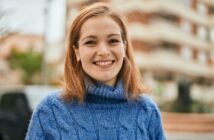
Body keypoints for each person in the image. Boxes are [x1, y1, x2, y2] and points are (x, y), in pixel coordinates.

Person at [25, 2, 166, 140]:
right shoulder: (50, 111)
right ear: (77, 52)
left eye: (113, 41)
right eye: (90, 42)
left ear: (124, 47)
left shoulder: (147, 110)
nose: (103, 51)